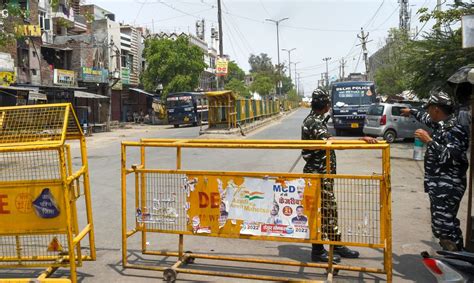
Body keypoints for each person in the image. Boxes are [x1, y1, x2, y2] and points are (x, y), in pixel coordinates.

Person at [302, 88, 377, 263]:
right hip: (317, 175)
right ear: (327, 105)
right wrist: (359, 139)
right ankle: (318, 250)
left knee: (329, 210)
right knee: (320, 211)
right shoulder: (313, 122)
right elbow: (330, 140)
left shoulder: (318, 119)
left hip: (324, 173)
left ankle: (336, 244)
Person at [401, 88, 469, 251]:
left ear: (436, 109)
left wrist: (429, 140)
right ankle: (454, 256)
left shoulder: (454, 130)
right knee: (442, 226)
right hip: (440, 185)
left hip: (448, 186)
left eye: (429, 108)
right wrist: (411, 111)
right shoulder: (442, 124)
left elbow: (451, 157)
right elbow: (425, 118)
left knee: (445, 227)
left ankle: (457, 258)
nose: (427, 112)